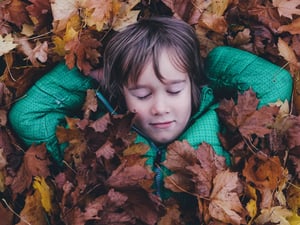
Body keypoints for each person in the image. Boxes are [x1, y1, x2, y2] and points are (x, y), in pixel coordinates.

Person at [8, 16, 292, 202]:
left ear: (193, 87)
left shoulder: (225, 128)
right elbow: (28, 115)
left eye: (174, 90)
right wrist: (91, 75)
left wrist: (209, 66)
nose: (160, 107)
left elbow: (276, 83)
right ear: (122, 95)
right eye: (142, 94)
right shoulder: (99, 143)